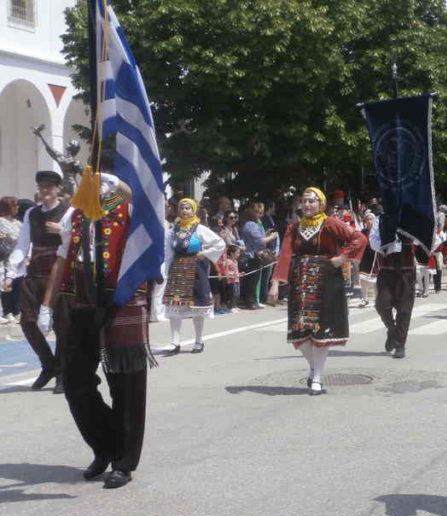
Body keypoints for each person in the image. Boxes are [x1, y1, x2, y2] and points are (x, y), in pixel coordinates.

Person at [40, 169, 153, 488]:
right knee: (75, 380)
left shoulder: (126, 208)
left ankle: (124, 462)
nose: (96, 186)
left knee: (125, 383)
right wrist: (46, 307)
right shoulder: (75, 215)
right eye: (92, 180)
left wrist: (119, 185)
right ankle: (105, 445)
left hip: (121, 300)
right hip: (83, 301)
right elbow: (62, 259)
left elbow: (147, 202)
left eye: (103, 181)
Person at [267, 187, 366, 394]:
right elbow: (285, 255)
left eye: (312, 201)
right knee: (300, 330)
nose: (308, 205)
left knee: (321, 331)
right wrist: (276, 283)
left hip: (327, 281)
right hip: (300, 281)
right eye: (305, 201)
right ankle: (314, 366)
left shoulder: (330, 223)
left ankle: (317, 378)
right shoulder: (293, 228)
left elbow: (359, 238)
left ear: (321, 204)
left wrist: (342, 257)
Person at [10, 171, 73, 392]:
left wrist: (64, 229)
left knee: (62, 324)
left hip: (59, 270)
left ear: (58, 188)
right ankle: (49, 365)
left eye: (49, 186)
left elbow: (79, 237)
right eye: (41, 186)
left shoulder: (69, 211)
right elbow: (23, 244)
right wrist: (11, 272)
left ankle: (63, 372)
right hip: (35, 271)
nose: (44, 190)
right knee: (27, 322)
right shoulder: (32, 214)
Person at [162, 198, 225, 354]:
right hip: (178, 270)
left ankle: (198, 341)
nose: (185, 211)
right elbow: (168, 252)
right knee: (175, 305)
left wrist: (205, 253)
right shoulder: (173, 230)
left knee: (198, 307)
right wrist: (165, 272)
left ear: (194, 210)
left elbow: (220, 243)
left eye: (188, 208)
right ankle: (175, 342)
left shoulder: (200, 229)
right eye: (182, 208)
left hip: (196, 270)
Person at [369, 219, 428, 360]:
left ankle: (400, 344)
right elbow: (372, 240)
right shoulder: (381, 219)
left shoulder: (412, 218)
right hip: (387, 269)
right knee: (382, 305)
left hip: (406, 271)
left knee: (404, 310)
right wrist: (387, 246)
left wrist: (418, 240)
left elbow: (429, 239)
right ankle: (392, 330)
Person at [240, 202, 278, 310]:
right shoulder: (250, 224)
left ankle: (253, 301)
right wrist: (272, 237)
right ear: (250, 211)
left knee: (255, 280)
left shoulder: (255, 224)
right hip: (251, 256)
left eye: (261, 212)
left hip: (255, 255)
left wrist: (266, 234)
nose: (259, 215)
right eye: (256, 212)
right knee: (252, 280)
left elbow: (259, 238)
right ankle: (250, 302)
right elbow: (260, 241)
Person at [0, 197, 23, 323]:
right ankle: (7, 311)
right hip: (5, 258)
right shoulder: (1, 221)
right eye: (15, 205)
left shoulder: (18, 222)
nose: (18, 208)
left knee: (18, 285)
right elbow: (14, 237)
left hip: (18, 257)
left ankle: (17, 311)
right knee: (6, 285)